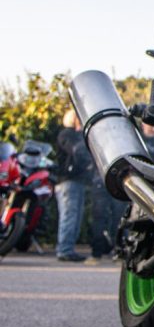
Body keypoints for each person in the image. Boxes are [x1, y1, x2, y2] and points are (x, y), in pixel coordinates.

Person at [54, 109, 92, 262]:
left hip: (76, 182)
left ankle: (68, 249)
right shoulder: (67, 134)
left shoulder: (74, 136)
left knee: (74, 217)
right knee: (69, 216)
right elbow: (76, 150)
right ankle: (64, 250)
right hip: (67, 182)